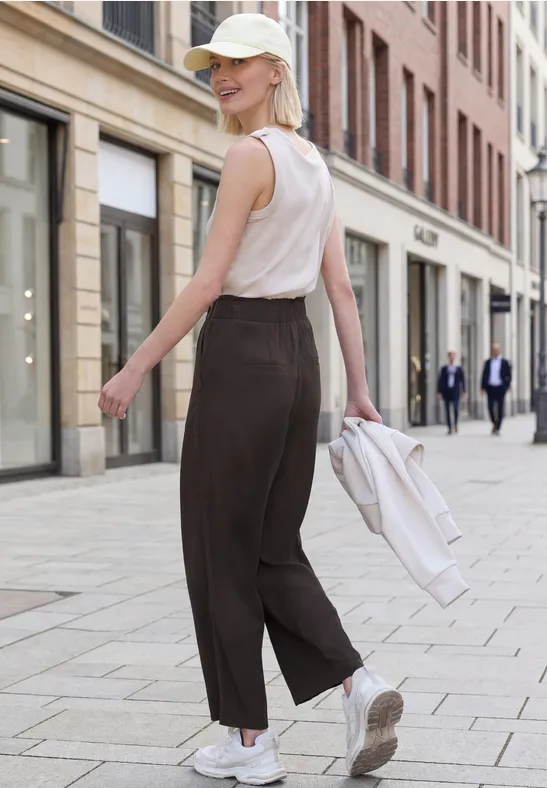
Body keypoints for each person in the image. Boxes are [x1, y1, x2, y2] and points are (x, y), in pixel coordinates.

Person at [98, 13, 403, 786]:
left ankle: (248, 743)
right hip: (296, 360)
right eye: (213, 64)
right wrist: (355, 392)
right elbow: (338, 291)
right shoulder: (314, 163)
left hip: (240, 354)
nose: (221, 76)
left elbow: (208, 282)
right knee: (272, 549)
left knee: (219, 554)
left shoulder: (247, 154)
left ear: (276, 70)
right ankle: (356, 684)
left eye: (238, 62)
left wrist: (134, 367)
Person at [481, 343, 512, 435]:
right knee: (490, 407)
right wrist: (482, 387)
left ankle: (498, 427)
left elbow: (509, 375)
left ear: (499, 350)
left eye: (496, 350)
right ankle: (494, 422)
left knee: (500, 408)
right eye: (493, 350)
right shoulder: (488, 362)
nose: (495, 351)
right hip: (490, 387)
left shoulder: (504, 362)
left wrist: (507, 386)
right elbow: (484, 375)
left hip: (500, 387)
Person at [437, 351, 466, 434]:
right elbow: (440, 380)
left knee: (456, 409)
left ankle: (455, 424)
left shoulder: (459, 369)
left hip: (455, 391)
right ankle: (449, 427)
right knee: (447, 410)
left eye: (453, 356)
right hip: (446, 391)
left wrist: (463, 391)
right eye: (450, 356)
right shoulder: (444, 369)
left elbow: (462, 381)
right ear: (448, 358)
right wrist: (439, 391)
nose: (451, 358)